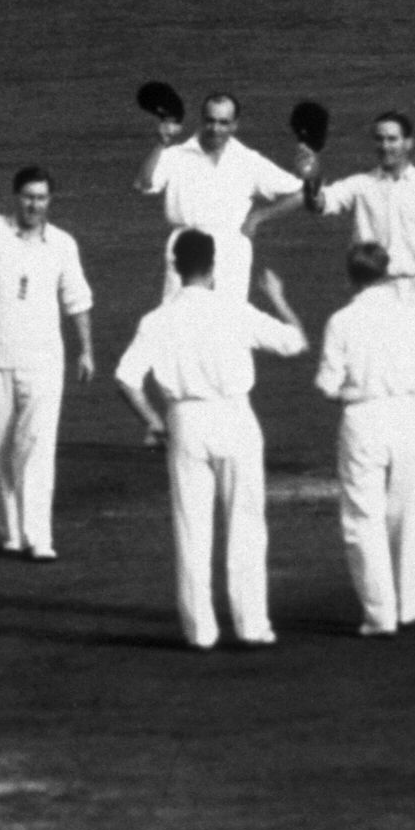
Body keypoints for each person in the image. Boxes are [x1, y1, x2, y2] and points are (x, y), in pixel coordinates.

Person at [112, 231, 308, 650]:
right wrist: (278, 297)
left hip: (184, 421)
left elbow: (126, 379)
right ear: (214, 266)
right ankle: (252, 625)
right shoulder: (234, 309)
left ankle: (200, 632)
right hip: (235, 416)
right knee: (247, 526)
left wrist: (153, 422)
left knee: (191, 529)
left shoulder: (158, 319)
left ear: (175, 268)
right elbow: (295, 343)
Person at [275, 111, 415, 479]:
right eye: (380, 139)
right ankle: (393, 451)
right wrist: (311, 175)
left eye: (393, 138)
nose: (386, 146)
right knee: (383, 368)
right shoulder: (360, 185)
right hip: (377, 288)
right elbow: (321, 204)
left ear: (409, 142)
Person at [0, 124, 96, 560]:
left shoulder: (63, 244)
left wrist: (86, 349)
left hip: (45, 363)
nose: (35, 204)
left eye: (42, 198)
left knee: (37, 447)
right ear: (16, 198)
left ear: (50, 201)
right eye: (28, 197)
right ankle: (12, 534)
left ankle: (40, 538)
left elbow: (77, 299)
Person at [313, 243, 415, 635]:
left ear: (351, 277)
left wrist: (346, 387)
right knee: (409, 514)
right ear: (387, 273)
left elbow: (327, 385)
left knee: (363, 519)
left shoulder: (342, 321)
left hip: (364, 417)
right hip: (412, 415)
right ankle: (408, 606)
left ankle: (380, 615)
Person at [135, 91, 303, 303]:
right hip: (186, 247)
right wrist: (161, 142)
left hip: (231, 250)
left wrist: (258, 217)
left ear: (235, 125)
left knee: (229, 324)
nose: (215, 128)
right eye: (210, 121)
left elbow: (299, 193)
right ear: (202, 119)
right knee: (179, 321)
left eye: (224, 123)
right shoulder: (176, 155)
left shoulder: (248, 160)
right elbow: (143, 184)